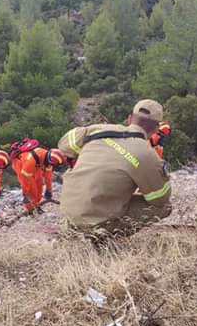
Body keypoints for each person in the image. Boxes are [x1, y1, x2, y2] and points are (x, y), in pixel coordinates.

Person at [57, 99, 172, 238]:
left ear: (129, 118)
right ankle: (106, 236)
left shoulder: (99, 129)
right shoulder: (147, 153)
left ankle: (74, 229)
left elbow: (64, 144)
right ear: (156, 129)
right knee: (165, 207)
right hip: (97, 224)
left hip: (68, 216)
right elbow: (160, 198)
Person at [12, 144, 66, 215]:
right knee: (32, 188)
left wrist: (49, 190)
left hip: (36, 164)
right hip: (20, 164)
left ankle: (37, 205)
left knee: (39, 183)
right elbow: (24, 178)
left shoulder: (50, 159)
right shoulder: (31, 160)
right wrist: (26, 193)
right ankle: (30, 209)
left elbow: (48, 175)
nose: (50, 165)